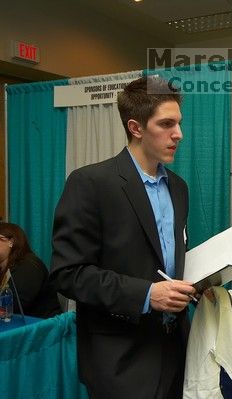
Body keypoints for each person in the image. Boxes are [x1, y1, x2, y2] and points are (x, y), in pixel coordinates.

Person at [50, 76, 197, 399]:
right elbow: (68, 273)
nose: (179, 134)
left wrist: (200, 283)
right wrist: (146, 295)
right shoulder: (90, 183)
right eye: (167, 124)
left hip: (174, 349)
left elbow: (166, 260)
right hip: (119, 359)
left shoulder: (179, 188)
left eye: (179, 123)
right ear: (136, 127)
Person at [0, 223, 61, 318]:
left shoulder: (29, 265)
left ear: (11, 242)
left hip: (43, 327)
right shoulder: (5, 268)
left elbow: (12, 305)